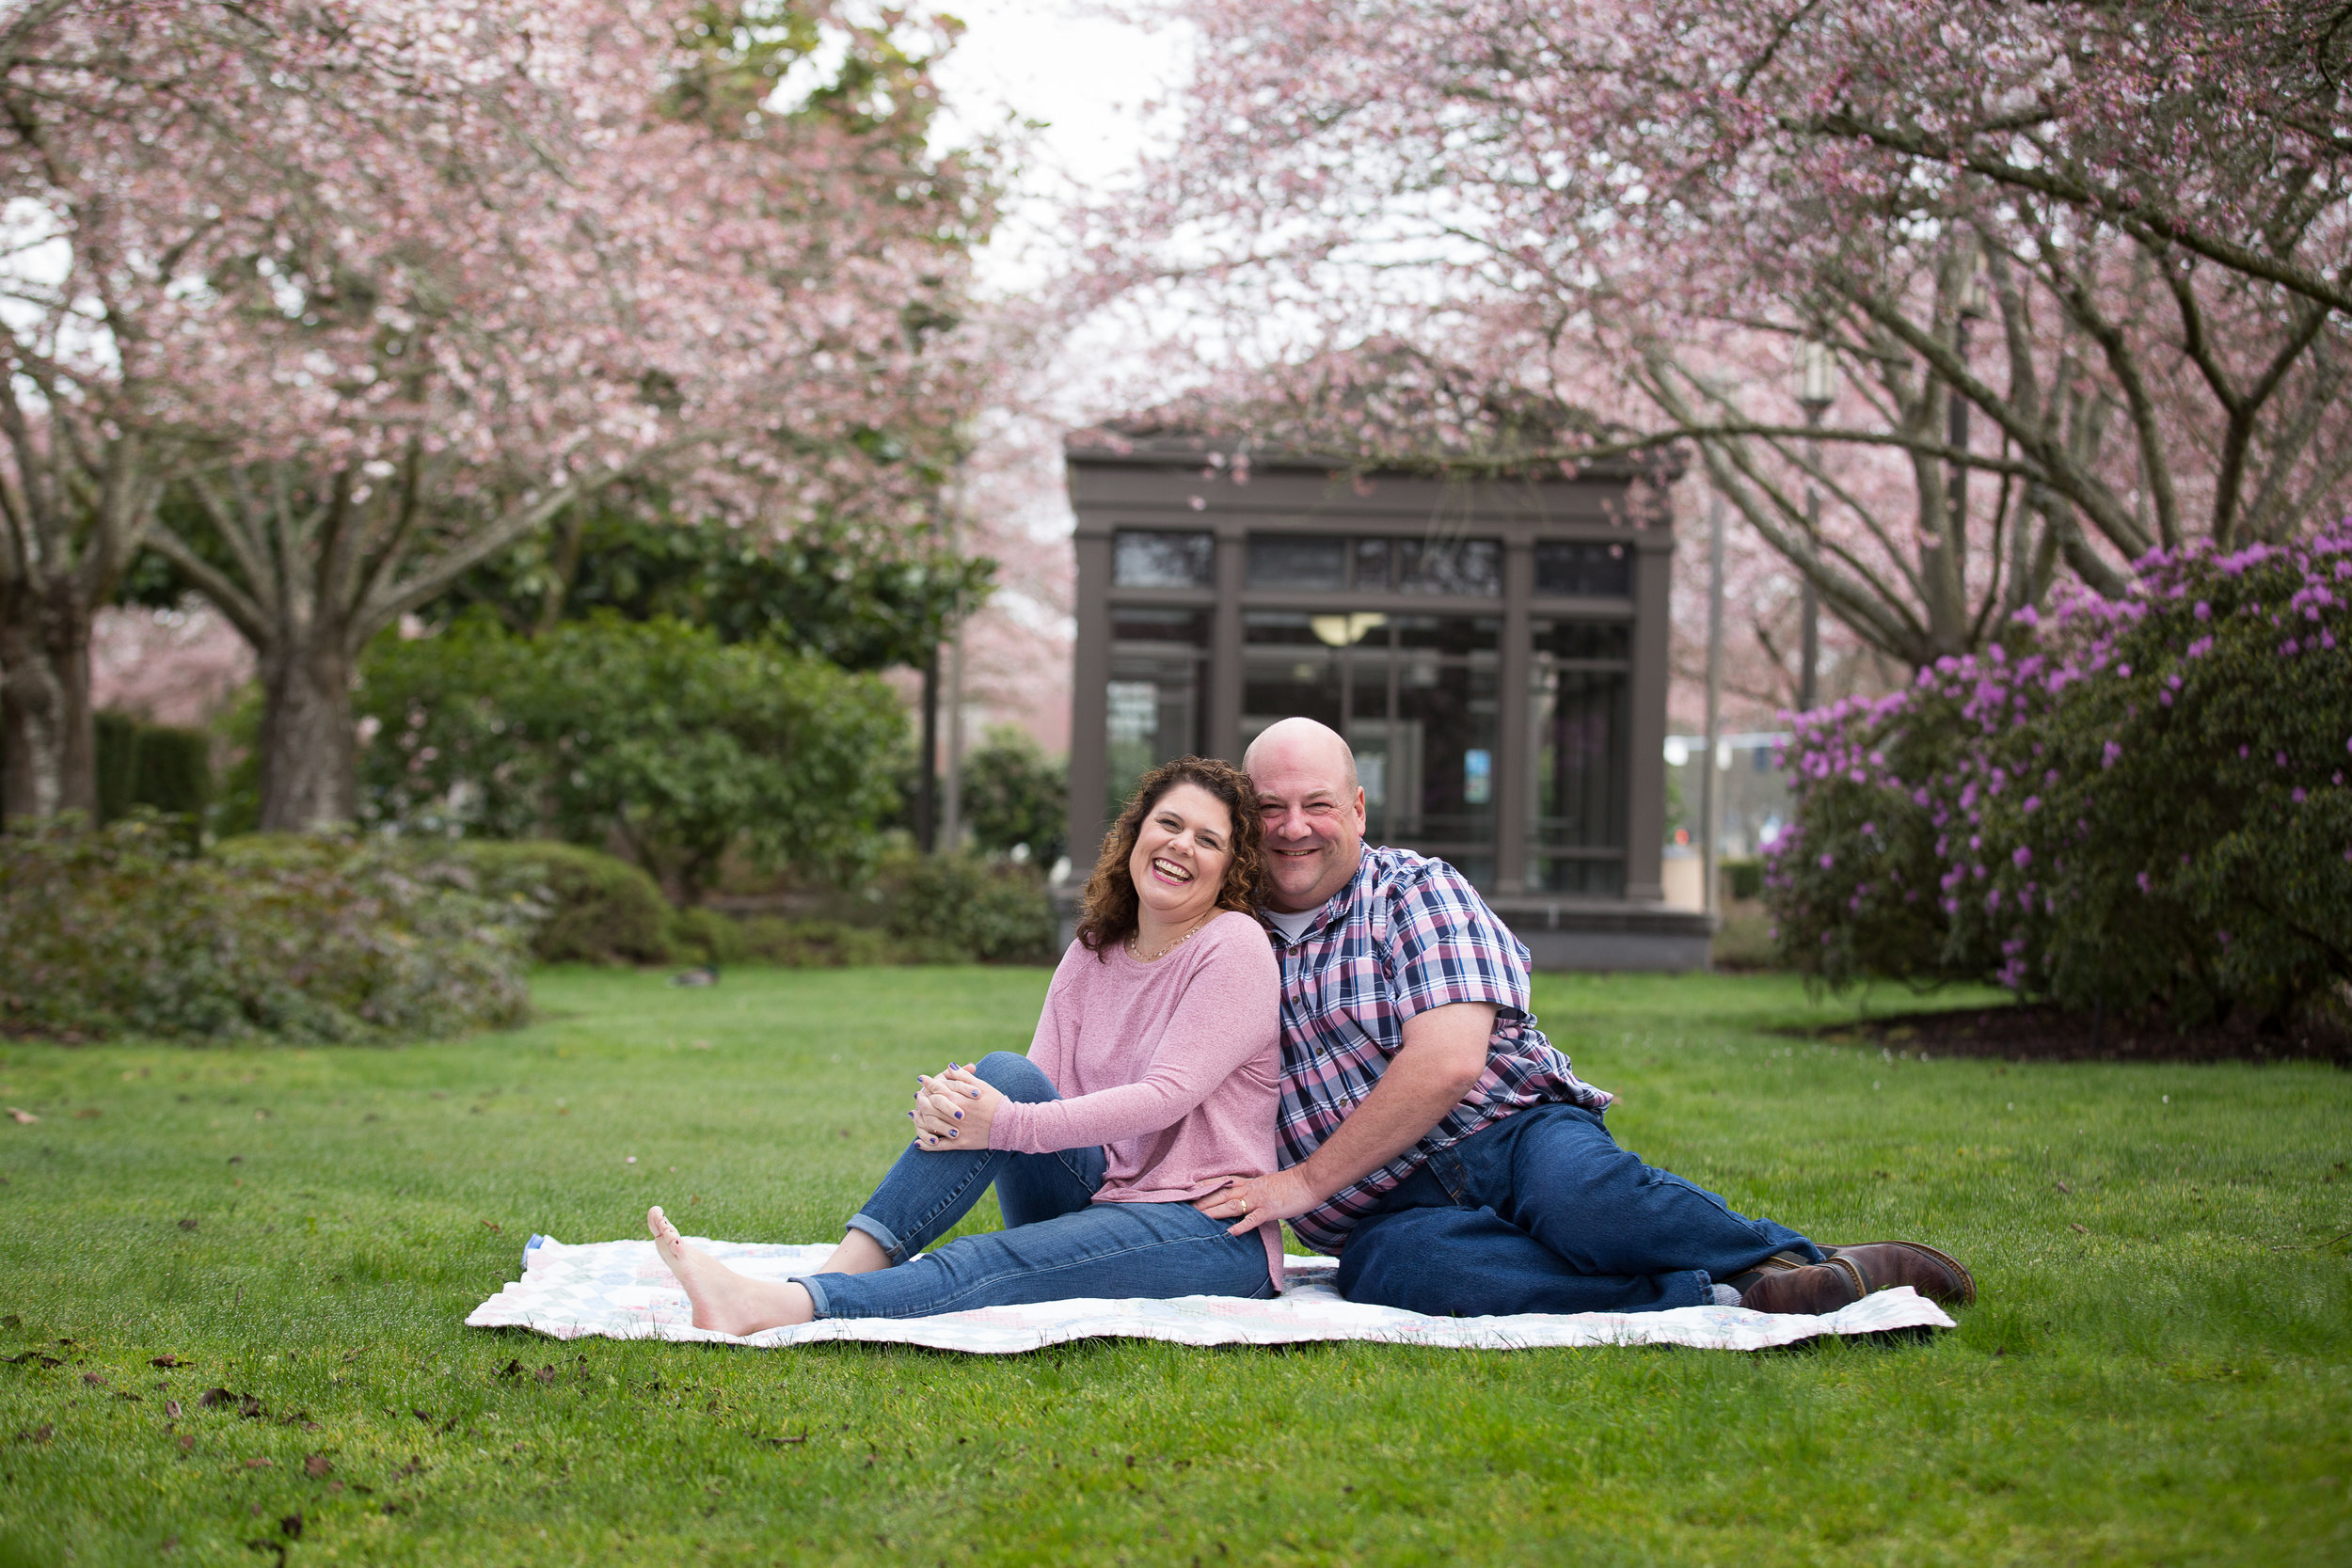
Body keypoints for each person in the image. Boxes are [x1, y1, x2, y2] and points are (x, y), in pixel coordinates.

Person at [1191, 717, 1974, 1318]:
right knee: (1401, 1273)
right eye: (1270, 809)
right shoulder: (1227, 939)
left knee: (1586, 1204)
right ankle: (1726, 1291)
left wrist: (1303, 1182)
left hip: (1508, 1133)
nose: (1294, 827)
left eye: (1316, 804)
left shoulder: (1417, 891)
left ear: (1357, 810)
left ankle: (1797, 1259)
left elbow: (1450, 1062)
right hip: (1387, 1211)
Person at [649, 755, 1287, 1333]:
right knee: (1001, 1072)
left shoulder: (1232, 946)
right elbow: (1033, 1086)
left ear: (1230, 868)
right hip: (1097, 1195)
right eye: (1169, 823)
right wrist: (959, 1110)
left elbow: (1163, 1098)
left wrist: (999, 1122)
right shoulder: (1094, 950)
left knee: (987, 1257)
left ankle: (784, 1306)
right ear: (1137, 832)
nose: (1181, 845)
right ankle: (838, 1272)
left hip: (1207, 1226)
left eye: (1209, 840)